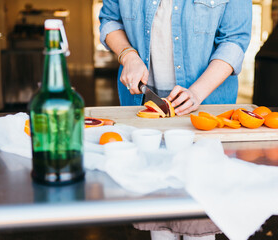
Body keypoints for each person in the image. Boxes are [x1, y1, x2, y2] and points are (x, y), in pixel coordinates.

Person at [99, 0, 252, 239]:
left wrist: (197, 92)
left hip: (205, 112)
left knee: (200, 221)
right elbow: (110, 19)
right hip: (144, 114)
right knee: (159, 213)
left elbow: (234, 39)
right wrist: (128, 55)